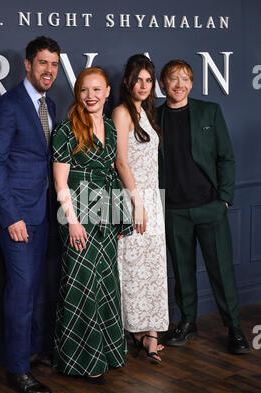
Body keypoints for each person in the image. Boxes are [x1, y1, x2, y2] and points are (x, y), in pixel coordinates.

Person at [0, 36, 60, 393]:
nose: (49, 70)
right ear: (27, 65)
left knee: (32, 288)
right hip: (16, 215)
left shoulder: (51, 105)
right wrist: (11, 214)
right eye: (43, 63)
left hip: (42, 213)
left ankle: (29, 351)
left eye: (55, 64)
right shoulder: (8, 106)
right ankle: (18, 370)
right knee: (20, 292)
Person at [156, 59, 250, 354]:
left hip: (209, 206)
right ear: (162, 84)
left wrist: (223, 198)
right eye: (173, 79)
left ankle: (234, 327)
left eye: (185, 79)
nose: (180, 85)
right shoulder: (152, 118)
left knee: (221, 270)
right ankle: (187, 323)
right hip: (173, 210)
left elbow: (226, 157)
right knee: (182, 273)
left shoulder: (209, 111)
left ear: (192, 84)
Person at [52, 67, 133, 385]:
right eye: (85, 90)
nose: (91, 96)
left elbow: (118, 168)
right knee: (81, 285)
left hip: (107, 211)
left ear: (108, 91)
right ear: (78, 93)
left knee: (105, 282)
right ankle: (82, 360)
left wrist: (133, 206)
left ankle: (109, 352)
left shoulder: (112, 128)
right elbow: (59, 182)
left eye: (97, 90)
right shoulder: (66, 128)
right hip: (77, 215)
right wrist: (71, 222)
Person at [112, 54, 169, 363]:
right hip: (134, 201)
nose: (144, 85)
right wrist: (137, 203)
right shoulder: (122, 113)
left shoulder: (146, 113)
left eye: (149, 80)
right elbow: (120, 161)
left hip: (153, 202)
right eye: (139, 79)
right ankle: (134, 331)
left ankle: (151, 335)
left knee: (153, 271)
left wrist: (149, 204)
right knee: (133, 270)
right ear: (127, 82)